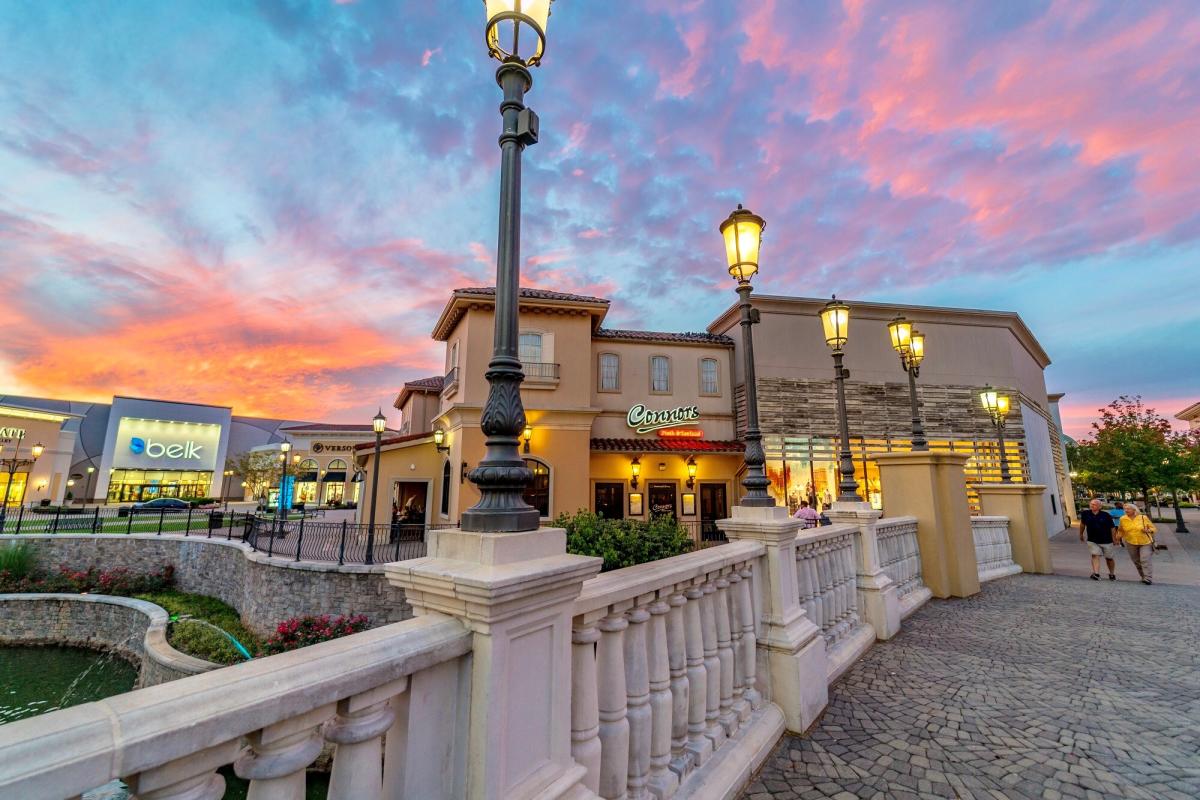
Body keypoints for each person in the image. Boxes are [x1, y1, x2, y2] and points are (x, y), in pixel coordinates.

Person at [1117, 503, 1157, 585]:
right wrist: (1117, 538)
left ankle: (1148, 578)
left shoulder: (1143, 517)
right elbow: (1121, 530)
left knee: (1144, 559)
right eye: (1125, 509)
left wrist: (1148, 530)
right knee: (1136, 561)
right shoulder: (1123, 519)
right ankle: (1143, 576)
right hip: (1131, 542)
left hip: (1145, 542)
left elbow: (1153, 528)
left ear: (1134, 510)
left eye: (1128, 509)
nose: (1126, 510)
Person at [1078, 498, 1117, 581]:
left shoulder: (1106, 515)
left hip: (1106, 540)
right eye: (1091, 504)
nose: (1092, 505)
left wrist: (1114, 538)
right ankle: (1096, 574)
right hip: (1092, 539)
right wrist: (1081, 534)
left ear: (1100, 506)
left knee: (1109, 558)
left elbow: (1112, 528)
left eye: (1094, 504)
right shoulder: (1085, 513)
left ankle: (1112, 574)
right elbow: (1082, 524)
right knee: (1095, 555)